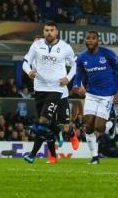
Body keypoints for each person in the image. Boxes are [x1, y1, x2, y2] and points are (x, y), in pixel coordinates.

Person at [21, 21, 79, 163]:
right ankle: (53, 155)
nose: (49, 33)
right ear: (43, 31)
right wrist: (29, 72)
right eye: (46, 30)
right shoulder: (36, 45)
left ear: (57, 31)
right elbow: (25, 62)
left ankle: (32, 155)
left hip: (57, 89)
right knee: (48, 126)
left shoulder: (65, 47)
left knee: (44, 121)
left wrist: (68, 78)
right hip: (40, 89)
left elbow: (75, 64)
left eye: (52, 30)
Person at [71, 30, 118, 164]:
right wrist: (75, 85)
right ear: (85, 41)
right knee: (88, 125)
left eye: (93, 38)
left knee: (99, 127)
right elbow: (79, 73)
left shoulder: (107, 54)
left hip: (107, 95)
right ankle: (95, 157)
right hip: (91, 94)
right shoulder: (82, 58)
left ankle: (110, 124)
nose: (90, 40)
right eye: (88, 38)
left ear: (98, 41)